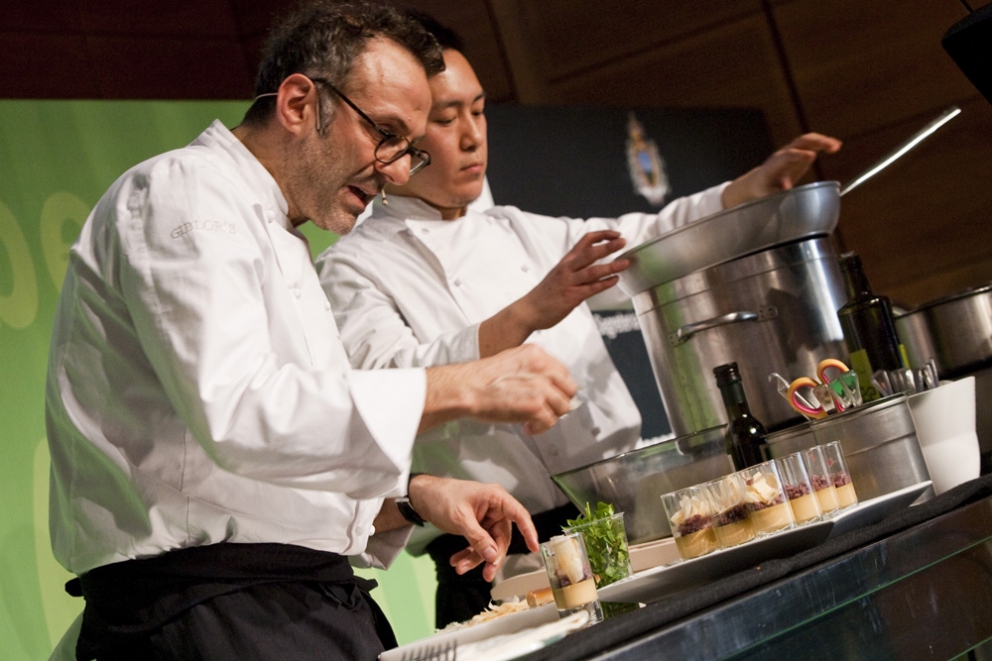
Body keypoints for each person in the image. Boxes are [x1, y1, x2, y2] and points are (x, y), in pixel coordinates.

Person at [44, 3, 579, 660]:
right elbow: (240, 409)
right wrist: (458, 385)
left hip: (290, 604)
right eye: (384, 133)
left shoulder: (280, 232)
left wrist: (413, 497)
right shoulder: (185, 190)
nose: (393, 171)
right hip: (211, 614)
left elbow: (280, 457)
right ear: (299, 102)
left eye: (407, 149)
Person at [314, 13, 843, 628]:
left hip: (629, 522)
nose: (471, 136)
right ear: (400, 131)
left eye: (479, 112)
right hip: (500, 561)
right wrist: (529, 311)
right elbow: (393, 384)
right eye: (445, 117)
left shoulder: (516, 229)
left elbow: (648, 240)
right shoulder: (354, 266)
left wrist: (745, 193)